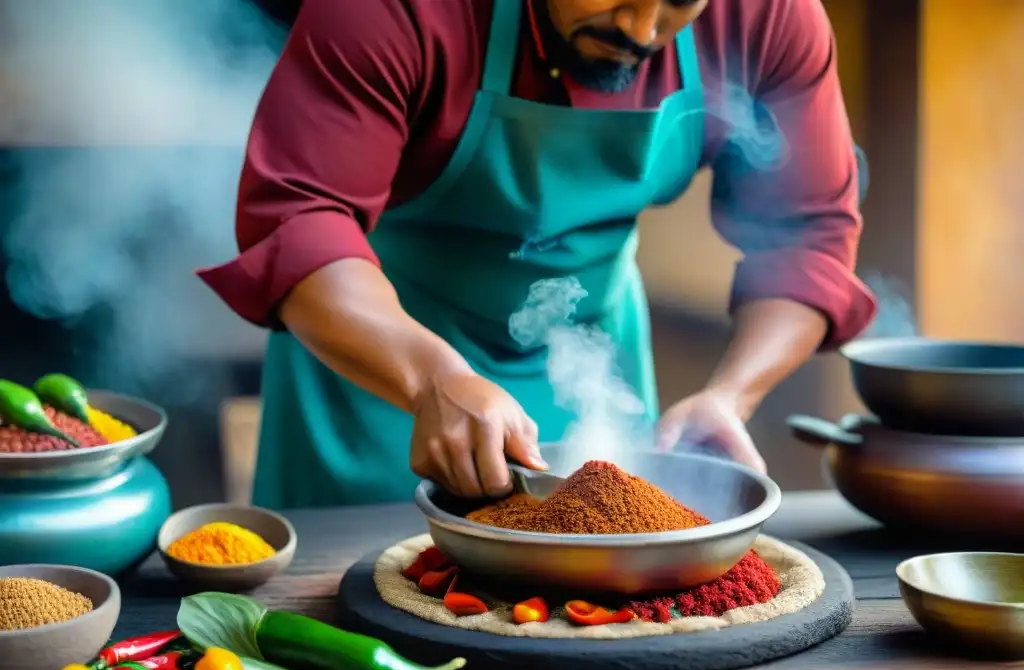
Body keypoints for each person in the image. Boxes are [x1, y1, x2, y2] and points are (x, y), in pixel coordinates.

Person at [199, 0, 877, 509]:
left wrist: (731, 396)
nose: (642, 30)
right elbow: (300, 220)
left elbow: (807, 238)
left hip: (595, 373)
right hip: (377, 368)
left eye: (678, 3)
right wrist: (433, 379)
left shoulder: (768, 15)